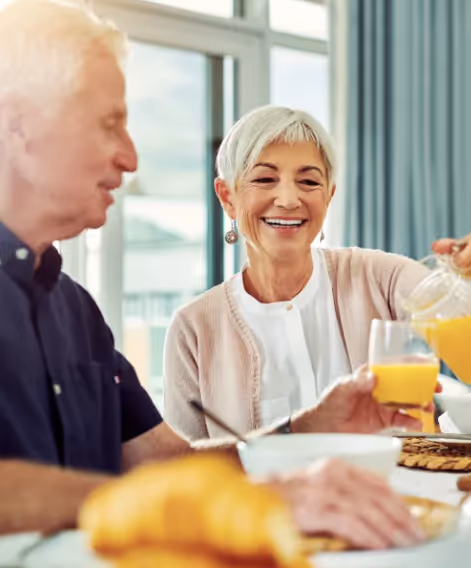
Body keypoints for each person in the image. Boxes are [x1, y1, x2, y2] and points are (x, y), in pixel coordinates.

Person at [0, 0, 422, 550]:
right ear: (20, 129)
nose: (130, 158)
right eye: (109, 124)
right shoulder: (191, 322)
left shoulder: (75, 311)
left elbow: (164, 465)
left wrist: (309, 427)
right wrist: (255, 499)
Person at [163, 104, 471, 441]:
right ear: (228, 197)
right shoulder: (193, 328)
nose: (289, 199)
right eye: (264, 179)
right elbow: (183, 472)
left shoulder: (380, 276)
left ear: (329, 196)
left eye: (308, 182)